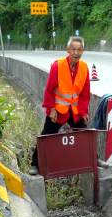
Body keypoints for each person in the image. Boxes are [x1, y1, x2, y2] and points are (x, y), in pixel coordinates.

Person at [29, 36, 91, 175]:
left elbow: (85, 93)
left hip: (74, 111)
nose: (76, 52)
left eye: (79, 49)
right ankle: (35, 164)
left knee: (84, 135)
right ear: (68, 50)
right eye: (73, 49)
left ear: (83, 51)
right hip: (58, 111)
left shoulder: (84, 67)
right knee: (46, 136)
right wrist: (50, 109)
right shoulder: (58, 66)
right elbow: (49, 89)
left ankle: (94, 159)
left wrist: (83, 112)